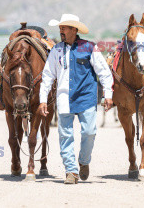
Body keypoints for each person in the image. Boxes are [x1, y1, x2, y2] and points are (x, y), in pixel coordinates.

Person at [38, 14, 114, 184]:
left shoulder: (90, 48)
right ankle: (71, 171)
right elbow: (48, 76)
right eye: (60, 28)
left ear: (74, 29)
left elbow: (104, 72)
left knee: (89, 132)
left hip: (86, 98)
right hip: (64, 98)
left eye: (63, 28)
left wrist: (108, 95)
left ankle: (84, 161)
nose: (60, 31)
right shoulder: (56, 50)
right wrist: (43, 99)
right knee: (65, 135)